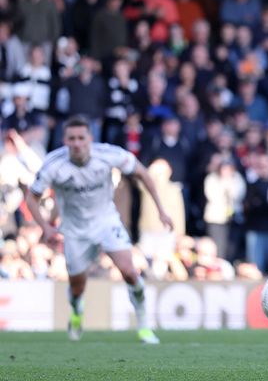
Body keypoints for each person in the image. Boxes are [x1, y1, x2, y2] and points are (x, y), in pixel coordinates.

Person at [26, 115, 174, 344]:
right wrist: (45, 226)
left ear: (90, 139)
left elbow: (143, 173)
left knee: (129, 272)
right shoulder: (53, 164)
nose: (76, 143)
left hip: (106, 222)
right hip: (74, 230)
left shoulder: (108, 154)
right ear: (65, 140)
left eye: (81, 138)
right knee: (77, 286)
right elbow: (32, 197)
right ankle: (77, 310)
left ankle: (144, 325)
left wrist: (161, 211)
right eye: (71, 138)